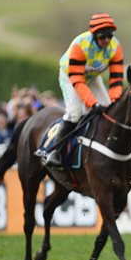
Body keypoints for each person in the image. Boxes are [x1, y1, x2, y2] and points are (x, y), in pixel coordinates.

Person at [43, 13, 124, 166]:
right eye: (102, 37)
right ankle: (55, 151)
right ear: (94, 35)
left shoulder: (115, 46)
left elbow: (116, 79)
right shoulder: (80, 45)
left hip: (92, 77)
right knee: (75, 113)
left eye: (110, 36)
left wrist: (114, 100)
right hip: (70, 77)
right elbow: (78, 81)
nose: (106, 40)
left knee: (108, 109)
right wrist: (92, 103)